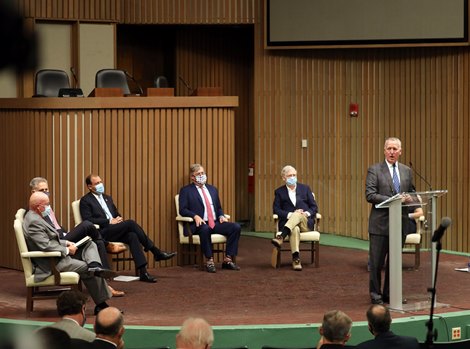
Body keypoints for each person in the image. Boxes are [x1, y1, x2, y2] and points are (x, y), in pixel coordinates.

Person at [30, 177, 125, 297]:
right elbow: (46, 240)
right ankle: (107, 247)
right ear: (34, 192)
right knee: (87, 225)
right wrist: (66, 245)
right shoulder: (36, 210)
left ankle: (99, 271)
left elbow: (56, 227)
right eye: (42, 190)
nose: (46, 192)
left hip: (63, 237)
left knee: (95, 243)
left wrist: (65, 234)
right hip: (59, 245)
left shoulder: (46, 207)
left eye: (47, 189)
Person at [23, 191, 114, 315]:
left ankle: (95, 265)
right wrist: (66, 250)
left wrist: (66, 243)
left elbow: (49, 240)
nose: (49, 207)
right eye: (47, 204)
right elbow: (45, 245)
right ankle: (102, 305)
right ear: (39, 207)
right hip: (52, 263)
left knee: (89, 243)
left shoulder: (35, 216)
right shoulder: (33, 222)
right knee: (86, 268)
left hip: (57, 255)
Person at [79, 174, 176, 283]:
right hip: (102, 232)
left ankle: (143, 272)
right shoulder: (85, 200)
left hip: (115, 229)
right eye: (97, 183)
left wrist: (118, 219)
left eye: (100, 182)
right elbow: (88, 220)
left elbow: (116, 214)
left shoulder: (107, 198)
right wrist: (109, 221)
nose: (100, 185)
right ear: (89, 186)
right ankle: (156, 252)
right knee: (130, 223)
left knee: (132, 236)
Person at [365, 137, 418, 305]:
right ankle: (375, 295)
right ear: (384, 150)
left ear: (400, 152)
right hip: (380, 225)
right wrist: (394, 199)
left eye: (395, 149)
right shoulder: (374, 170)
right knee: (376, 263)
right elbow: (370, 195)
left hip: (399, 223)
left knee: (394, 263)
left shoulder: (406, 171)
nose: (392, 152)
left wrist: (411, 198)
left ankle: (389, 294)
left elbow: (414, 193)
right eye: (389, 148)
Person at [178, 163, 241, 273]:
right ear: (192, 177)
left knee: (235, 227)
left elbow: (219, 208)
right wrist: (195, 216)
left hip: (215, 223)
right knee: (205, 229)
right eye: (198, 174)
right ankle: (209, 261)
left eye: (203, 173)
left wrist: (221, 216)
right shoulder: (186, 191)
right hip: (198, 224)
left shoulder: (212, 189)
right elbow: (182, 209)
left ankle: (228, 259)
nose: (201, 175)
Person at [271, 165, 318, 271]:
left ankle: (281, 236)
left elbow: (314, 207)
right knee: (295, 228)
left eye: (294, 175)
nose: (292, 177)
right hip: (290, 223)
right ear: (284, 178)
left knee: (298, 214)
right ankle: (296, 259)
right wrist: (291, 214)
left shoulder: (305, 189)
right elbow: (276, 210)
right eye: (289, 175)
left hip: (305, 223)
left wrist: (305, 213)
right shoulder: (279, 192)